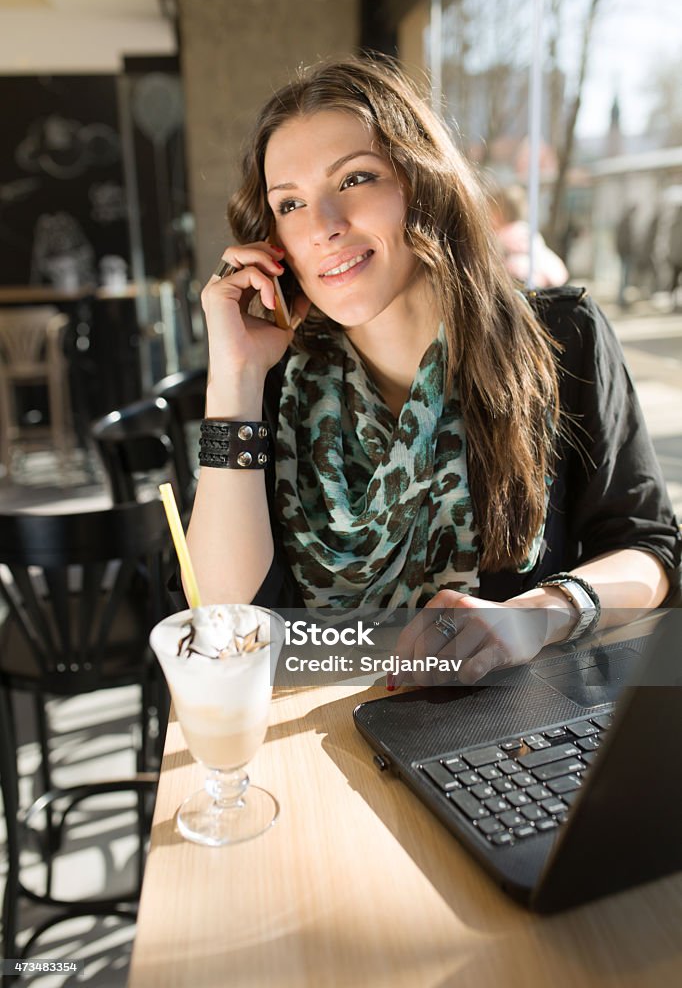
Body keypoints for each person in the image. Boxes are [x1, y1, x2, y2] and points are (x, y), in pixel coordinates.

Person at [186, 55, 680, 688]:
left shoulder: (561, 337)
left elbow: (649, 551)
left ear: (422, 184)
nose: (324, 228)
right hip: (319, 739)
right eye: (290, 203)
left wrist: (538, 615)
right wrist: (235, 375)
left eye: (356, 178)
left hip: (512, 737)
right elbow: (225, 622)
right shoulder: (271, 384)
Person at [486, 182, 569, 289]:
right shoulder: (526, 229)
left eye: (491, 211)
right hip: (550, 274)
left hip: (525, 279)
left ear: (500, 213)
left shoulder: (504, 235)